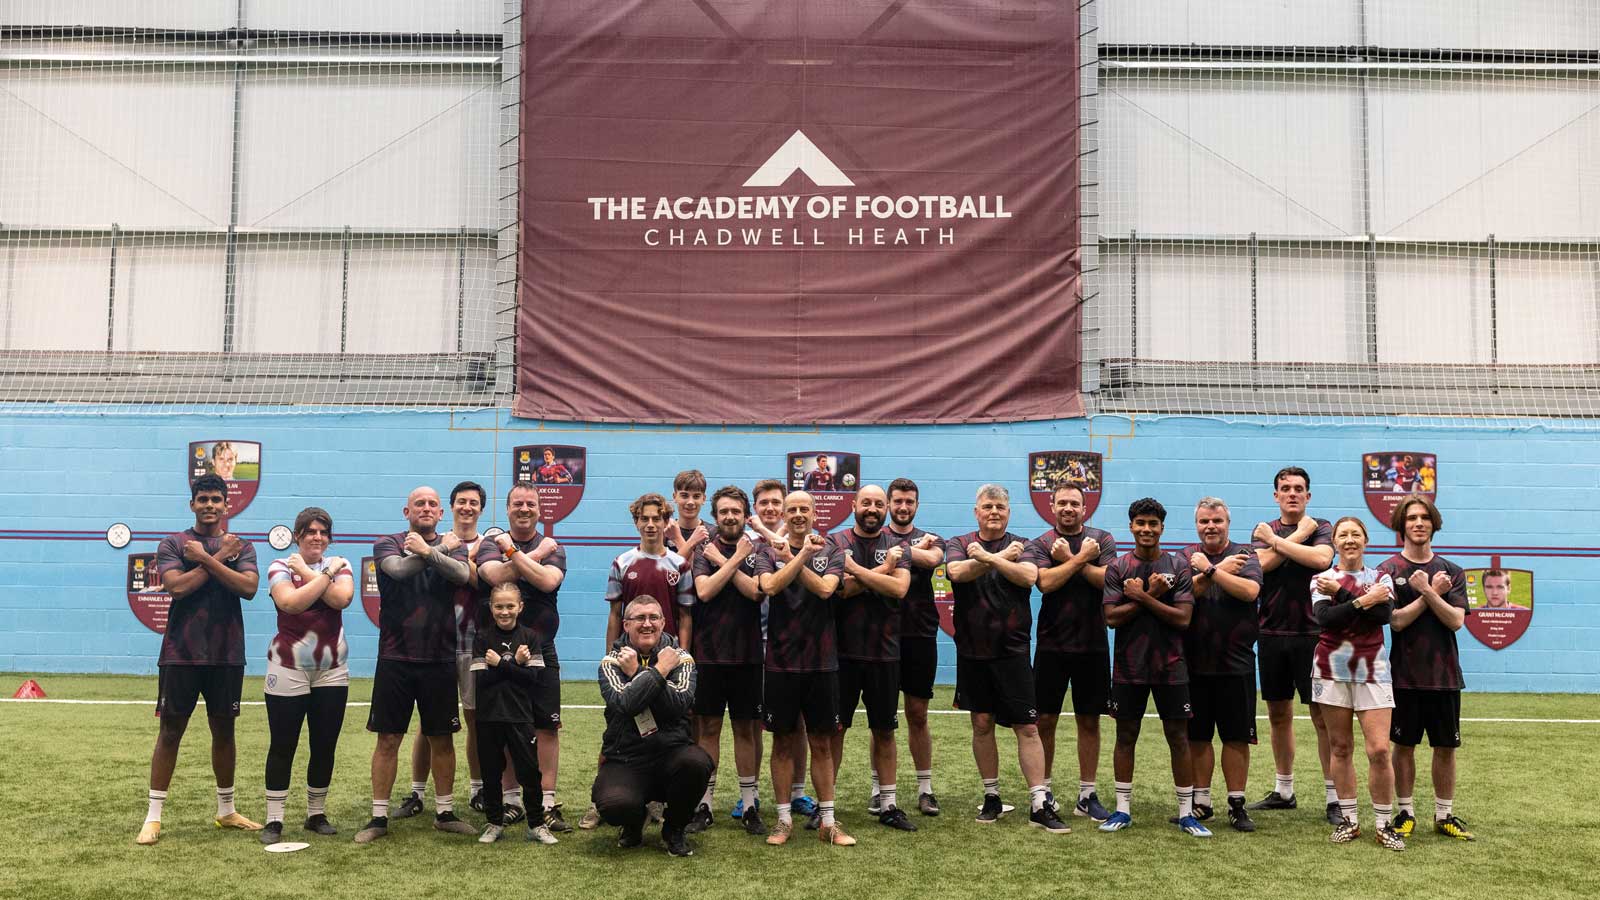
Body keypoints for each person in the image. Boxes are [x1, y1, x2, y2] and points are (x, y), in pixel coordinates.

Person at [138, 474, 262, 845]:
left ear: (227, 505)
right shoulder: (173, 544)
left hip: (226, 655)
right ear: (192, 504)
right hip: (181, 654)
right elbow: (177, 588)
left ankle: (226, 811)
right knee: (171, 732)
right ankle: (153, 817)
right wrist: (222, 558)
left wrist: (210, 557)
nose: (210, 505)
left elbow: (249, 588)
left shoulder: (243, 546)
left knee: (224, 732)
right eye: (203, 499)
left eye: (216, 499)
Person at [355, 486, 475, 843]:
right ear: (406, 511)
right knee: (388, 738)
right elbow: (399, 570)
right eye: (419, 504)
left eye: (432, 504)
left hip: (439, 657)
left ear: (441, 513)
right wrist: (437, 549)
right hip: (396, 657)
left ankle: (445, 812)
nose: (426, 508)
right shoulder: (387, 542)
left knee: (442, 738)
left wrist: (432, 550)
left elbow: (463, 576)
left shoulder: (460, 545)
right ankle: (378, 819)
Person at [945, 484, 1068, 834]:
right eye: (987, 506)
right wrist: (998, 559)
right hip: (972, 651)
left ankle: (1038, 802)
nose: (994, 511)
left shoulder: (1025, 545)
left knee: (1027, 727)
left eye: (1000, 506)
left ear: (1009, 512)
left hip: (1012, 651)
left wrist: (986, 557)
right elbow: (957, 573)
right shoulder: (959, 542)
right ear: (977, 511)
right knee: (981, 724)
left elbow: (1028, 576)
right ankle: (992, 796)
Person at [1100, 498, 1206, 837]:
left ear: (1162, 528)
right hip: (1129, 667)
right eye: (1140, 523)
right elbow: (1111, 618)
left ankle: (1187, 814)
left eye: (1153, 524)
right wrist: (1152, 595)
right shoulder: (1118, 568)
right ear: (1131, 526)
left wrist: (1144, 596)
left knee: (1178, 737)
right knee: (1125, 736)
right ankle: (1122, 810)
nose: (1146, 529)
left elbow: (1183, 619)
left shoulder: (1179, 567)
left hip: (1170, 667)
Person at [754, 491, 855, 846]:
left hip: (823, 662)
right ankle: (783, 821)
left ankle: (828, 821)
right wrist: (795, 558)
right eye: (791, 509)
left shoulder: (832, 550)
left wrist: (795, 559)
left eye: (804, 509)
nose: (798, 514)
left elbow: (827, 590)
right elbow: (769, 586)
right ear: (783, 513)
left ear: (814, 514)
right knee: (782, 743)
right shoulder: (767, 552)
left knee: (822, 744)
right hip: (780, 663)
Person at [1378, 496, 1473, 842]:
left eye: (1424, 518)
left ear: (1434, 524)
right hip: (1404, 676)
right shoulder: (1388, 571)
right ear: (1401, 525)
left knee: (1445, 747)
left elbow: (1455, 621)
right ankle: (1405, 813)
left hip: (1445, 676)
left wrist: (1431, 595)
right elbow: (1397, 622)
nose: (1418, 523)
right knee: (1403, 747)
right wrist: (1430, 593)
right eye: (1411, 518)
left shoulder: (1453, 571)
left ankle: (1444, 815)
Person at [401, 482, 497, 819]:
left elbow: (478, 582)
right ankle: (416, 793)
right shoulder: (434, 539)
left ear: (481, 509)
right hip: (436, 641)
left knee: (474, 718)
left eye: (473, 502)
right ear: (450, 508)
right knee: (428, 723)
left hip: (474, 640)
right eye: (461, 502)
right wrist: (442, 552)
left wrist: (456, 557)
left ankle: (477, 789)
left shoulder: (487, 545)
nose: (467, 507)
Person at [1250, 466, 1338, 823]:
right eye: (1285, 488)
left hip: (1313, 635)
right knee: (1278, 714)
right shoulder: (1267, 530)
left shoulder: (1322, 526)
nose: (1292, 493)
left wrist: (1282, 540)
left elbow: (1322, 559)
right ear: (1276, 495)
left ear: (1308, 496)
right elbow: (1260, 565)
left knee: (1322, 718)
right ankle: (1284, 791)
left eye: (1298, 488)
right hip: (1271, 634)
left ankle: (1334, 797)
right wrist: (1295, 538)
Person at [1310, 516, 1405, 851]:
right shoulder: (1322, 578)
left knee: (1379, 749)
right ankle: (1350, 821)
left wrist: (1344, 597)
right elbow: (1326, 620)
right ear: (1334, 542)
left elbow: (1383, 618)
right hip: (1331, 669)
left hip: (1373, 669)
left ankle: (1383, 823)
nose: (1349, 540)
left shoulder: (1381, 577)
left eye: (1356, 534)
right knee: (1340, 748)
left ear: (1365, 540)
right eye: (1343, 535)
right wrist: (1361, 599)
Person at [261, 507, 354, 845]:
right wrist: (324, 575)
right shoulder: (279, 566)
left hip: (331, 670)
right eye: (310, 532)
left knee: (324, 744)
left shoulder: (340, 566)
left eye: (323, 532)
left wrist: (316, 573)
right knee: (283, 744)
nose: (317, 537)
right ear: (297, 535)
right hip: (287, 666)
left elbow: (342, 599)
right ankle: (274, 820)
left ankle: (316, 814)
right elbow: (292, 603)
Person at [594, 595, 713, 857]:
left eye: (654, 618)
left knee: (698, 763)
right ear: (625, 625)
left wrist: (637, 674)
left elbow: (679, 704)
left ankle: (674, 828)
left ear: (663, 623)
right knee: (613, 805)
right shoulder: (611, 661)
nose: (647, 624)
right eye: (639, 618)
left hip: (672, 753)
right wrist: (658, 672)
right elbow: (625, 704)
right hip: (626, 758)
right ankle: (634, 821)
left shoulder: (681, 658)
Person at [480, 482, 569, 830]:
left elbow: (548, 582)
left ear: (539, 509)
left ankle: (546, 802)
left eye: (530, 504)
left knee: (546, 726)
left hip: (542, 648)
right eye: (518, 503)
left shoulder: (554, 547)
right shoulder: (491, 542)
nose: (524, 509)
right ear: (507, 509)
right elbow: (496, 577)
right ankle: (512, 800)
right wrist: (532, 556)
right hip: (499, 651)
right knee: (506, 725)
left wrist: (514, 554)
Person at [1028, 484, 1116, 822]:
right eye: (1062, 502)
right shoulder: (1041, 543)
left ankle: (1086, 794)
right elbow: (1046, 583)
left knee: (1089, 721)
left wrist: (1067, 561)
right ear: (1051, 506)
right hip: (1052, 644)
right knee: (1045, 720)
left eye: (1074, 503)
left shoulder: (1102, 539)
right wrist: (1080, 559)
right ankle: (1044, 791)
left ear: (1085, 507)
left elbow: (1108, 580)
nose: (1068, 508)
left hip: (1092, 644)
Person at [830, 486, 915, 831]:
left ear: (885, 509)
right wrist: (884, 572)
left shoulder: (898, 547)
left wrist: (858, 571)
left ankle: (889, 804)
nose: (872, 508)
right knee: (835, 730)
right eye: (866, 502)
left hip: (884, 652)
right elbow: (841, 589)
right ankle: (827, 805)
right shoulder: (836, 543)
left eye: (879, 503)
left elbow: (899, 589)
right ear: (854, 506)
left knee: (884, 730)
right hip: (840, 654)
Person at [1179, 499, 1263, 833]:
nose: (1210, 526)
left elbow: (1249, 591)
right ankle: (1201, 804)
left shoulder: (1247, 554)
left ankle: (1237, 805)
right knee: (1198, 738)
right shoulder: (1185, 557)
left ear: (1228, 521)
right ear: (1196, 524)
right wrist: (1213, 572)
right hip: (1194, 663)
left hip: (1237, 663)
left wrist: (1213, 570)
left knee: (1236, 738)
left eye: (1217, 520)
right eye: (1204, 521)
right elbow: (1184, 595)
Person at [688, 486, 768, 835]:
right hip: (709, 655)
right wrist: (733, 560)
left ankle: (749, 805)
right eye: (723, 512)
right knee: (708, 729)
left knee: (744, 730)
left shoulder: (759, 549)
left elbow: (755, 591)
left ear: (744, 513)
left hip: (748, 655)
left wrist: (725, 563)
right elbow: (704, 590)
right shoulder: (704, 549)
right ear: (716, 514)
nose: (729, 517)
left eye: (736, 511)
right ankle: (704, 804)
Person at [743, 478, 817, 823]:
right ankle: (751, 795)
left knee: (797, 722)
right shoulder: (748, 543)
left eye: (776, 503)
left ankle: (799, 793)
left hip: (795, 648)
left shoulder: (806, 543)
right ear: (755, 509)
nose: (770, 509)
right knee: (759, 721)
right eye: (764, 504)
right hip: (754, 643)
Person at [472, 583, 557, 845]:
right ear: (491, 607)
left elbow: (532, 679)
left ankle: (536, 824)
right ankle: (494, 822)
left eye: (510, 606)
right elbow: (482, 680)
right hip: (489, 717)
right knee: (490, 772)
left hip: (521, 716)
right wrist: (514, 663)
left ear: (520, 607)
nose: (504, 611)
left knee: (530, 772)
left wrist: (501, 664)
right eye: (499, 606)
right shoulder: (482, 638)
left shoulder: (531, 637)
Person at [883, 477, 944, 816]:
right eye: (898, 501)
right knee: (883, 718)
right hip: (881, 638)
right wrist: (913, 549)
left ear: (916, 506)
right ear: (890, 504)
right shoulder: (879, 538)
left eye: (909, 502)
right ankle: (880, 790)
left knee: (917, 714)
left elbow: (933, 559)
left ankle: (925, 789)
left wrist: (903, 550)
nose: (903, 507)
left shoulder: (935, 539)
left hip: (920, 635)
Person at [667, 469, 710, 558]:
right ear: (674, 497)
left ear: (704, 499)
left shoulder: (713, 533)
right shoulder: (665, 532)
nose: (690, 502)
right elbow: (664, 571)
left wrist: (677, 539)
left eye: (696, 496)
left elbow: (697, 571)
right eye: (684, 496)